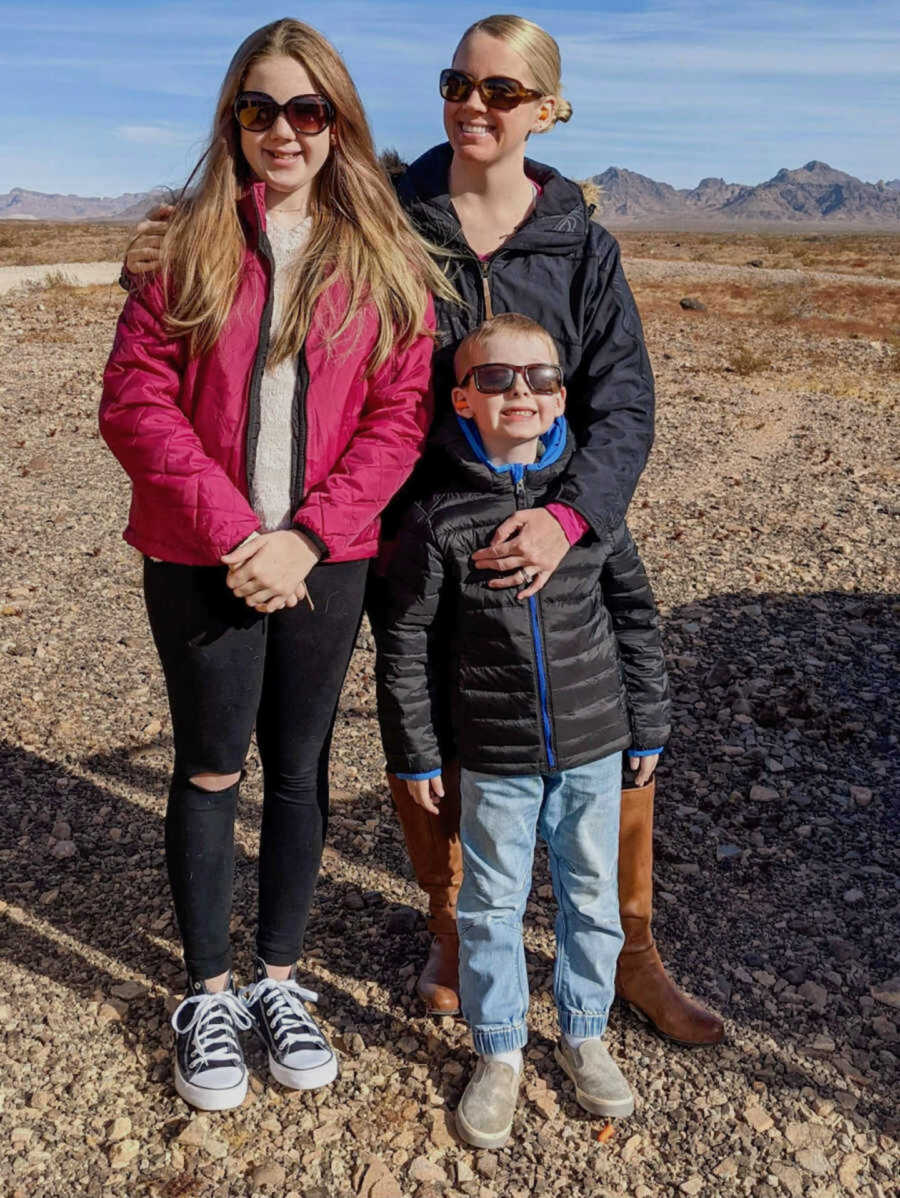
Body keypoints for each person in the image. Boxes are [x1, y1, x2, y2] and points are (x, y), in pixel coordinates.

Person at [123, 13, 724, 1047]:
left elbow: (624, 402)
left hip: (558, 532)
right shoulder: (397, 219)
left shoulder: (579, 241)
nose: (472, 105)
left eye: (498, 90)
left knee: (604, 717)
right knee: (432, 728)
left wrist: (572, 519)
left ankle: (632, 953)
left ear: (545, 107)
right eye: (457, 84)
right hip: (417, 530)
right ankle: (450, 925)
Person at [100, 17, 451, 1112]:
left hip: (325, 557)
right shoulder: (183, 243)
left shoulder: (383, 257)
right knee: (211, 766)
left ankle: (280, 981)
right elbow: (134, 400)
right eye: (261, 109)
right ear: (234, 121)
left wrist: (303, 534)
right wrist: (234, 532)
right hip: (199, 551)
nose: (284, 130)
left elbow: (401, 419)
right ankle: (206, 993)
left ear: (339, 122)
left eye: (308, 110)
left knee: (297, 770)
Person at [373, 313, 670, 1147]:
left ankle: (584, 1032)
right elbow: (405, 645)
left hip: (594, 744)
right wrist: (416, 749)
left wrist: (647, 724)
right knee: (492, 902)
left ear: (561, 394)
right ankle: (499, 1050)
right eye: (498, 379)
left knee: (589, 894)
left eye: (540, 378)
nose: (522, 393)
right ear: (461, 397)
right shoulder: (439, 519)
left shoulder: (588, 507)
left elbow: (636, 618)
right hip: (495, 753)